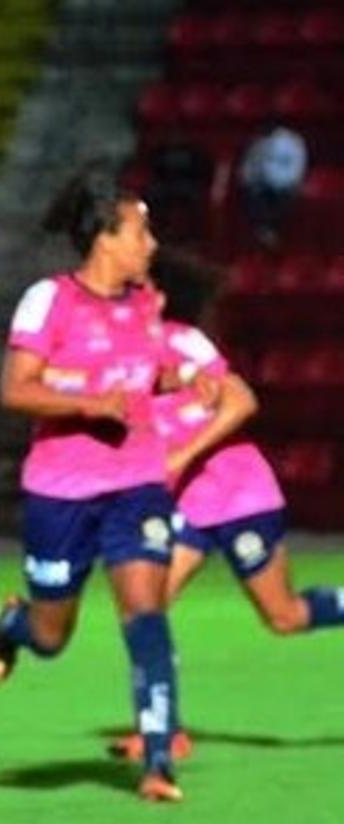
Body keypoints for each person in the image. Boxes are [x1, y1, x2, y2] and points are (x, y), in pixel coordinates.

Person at [0, 168, 184, 803]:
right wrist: (97, 405)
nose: (151, 244)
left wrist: (175, 381)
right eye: (141, 231)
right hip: (61, 493)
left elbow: (146, 373)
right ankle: (13, 626)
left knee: (147, 615)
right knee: (50, 637)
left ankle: (157, 761)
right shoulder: (50, 300)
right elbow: (16, 388)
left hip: (138, 485)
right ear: (105, 238)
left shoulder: (148, 302)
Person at [119, 260, 344, 757]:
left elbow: (241, 402)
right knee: (146, 607)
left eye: (134, 292)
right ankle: (163, 729)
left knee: (284, 617)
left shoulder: (185, 344)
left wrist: (182, 453)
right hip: (189, 509)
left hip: (241, 495)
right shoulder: (121, 363)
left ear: (156, 299)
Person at [237, 124, 307, 249]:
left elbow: (297, 168)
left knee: (281, 198)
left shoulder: (293, 142)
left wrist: (283, 183)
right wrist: (250, 180)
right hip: (260, 186)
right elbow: (248, 167)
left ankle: (272, 236)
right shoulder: (258, 142)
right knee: (253, 196)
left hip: (285, 185)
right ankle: (261, 235)